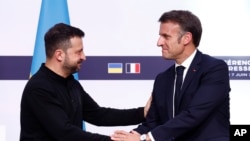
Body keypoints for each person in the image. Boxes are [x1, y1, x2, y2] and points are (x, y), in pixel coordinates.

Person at [111, 10, 231, 141]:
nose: (159, 42)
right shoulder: (162, 79)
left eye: (166, 36)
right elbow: (152, 123)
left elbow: (194, 114)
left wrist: (145, 138)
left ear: (186, 38)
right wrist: (128, 136)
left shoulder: (214, 69)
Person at [20, 23, 152, 141]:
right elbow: (65, 133)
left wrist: (142, 113)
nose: (84, 57)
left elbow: (98, 115)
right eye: (79, 52)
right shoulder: (38, 88)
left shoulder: (71, 83)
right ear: (59, 55)